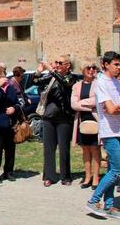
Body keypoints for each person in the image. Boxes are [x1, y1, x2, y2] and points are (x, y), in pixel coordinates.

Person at [85, 51, 120, 219]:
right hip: (109, 131)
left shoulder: (116, 83)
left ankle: (109, 205)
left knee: (112, 169)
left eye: (119, 64)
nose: (119, 67)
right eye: (115, 64)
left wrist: (119, 107)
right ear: (106, 65)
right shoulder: (101, 82)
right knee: (118, 170)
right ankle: (94, 200)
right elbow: (111, 109)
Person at [35, 55, 75, 186]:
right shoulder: (52, 77)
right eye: (56, 62)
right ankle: (49, 176)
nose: (57, 65)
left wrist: (51, 70)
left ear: (68, 65)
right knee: (49, 149)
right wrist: (39, 71)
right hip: (49, 117)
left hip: (64, 117)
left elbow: (64, 82)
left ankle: (65, 176)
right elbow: (35, 81)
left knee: (64, 149)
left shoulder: (71, 77)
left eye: (60, 63)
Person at [71, 59, 100, 189]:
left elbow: (97, 101)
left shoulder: (98, 84)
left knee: (95, 149)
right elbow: (73, 104)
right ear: (83, 70)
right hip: (82, 121)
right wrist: (89, 106)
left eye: (94, 68)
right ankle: (87, 176)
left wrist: (82, 103)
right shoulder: (77, 85)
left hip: (95, 120)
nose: (91, 70)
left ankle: (96, 177)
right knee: (85, 149)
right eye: (89, 68)